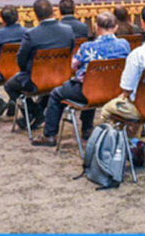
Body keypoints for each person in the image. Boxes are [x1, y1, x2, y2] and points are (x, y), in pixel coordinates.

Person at [31, 12, 130, 146]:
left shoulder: (87, 47)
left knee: (56, 93)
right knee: (94, 84)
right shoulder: (124, 45)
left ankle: (49, 135)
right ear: (116, 27)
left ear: (96, 27)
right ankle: (87, 128)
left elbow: (73, 65)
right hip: (114, 91)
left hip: (88, 91)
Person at [5, 0, 75, 130]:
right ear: (53, 11)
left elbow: (21, 59)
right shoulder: (68, 30)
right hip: (61, 77)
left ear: (35, 15)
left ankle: (36, 112)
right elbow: (70, 52)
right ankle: (38, 113)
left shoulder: (31, 34)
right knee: (49, 86)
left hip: (36, 79)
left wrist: (27, 71)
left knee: (9, 85)